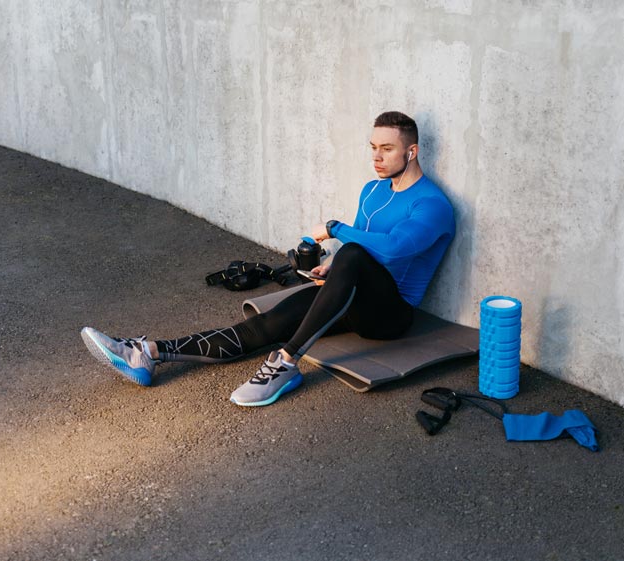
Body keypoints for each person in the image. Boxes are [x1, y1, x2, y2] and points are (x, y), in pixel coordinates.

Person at [81, 111, 455, 406]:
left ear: (412, 151)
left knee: (353, 253)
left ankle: (285, 364)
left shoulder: (432, 204)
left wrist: (334, 228)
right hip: (355, 294)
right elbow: (358, 252)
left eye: (387, 149)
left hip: (391, 315)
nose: (376, 156)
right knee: (268, 322)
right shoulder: (372, 190)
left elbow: (391, 248)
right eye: (373, 146)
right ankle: (149, 353)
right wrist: (332, 267)